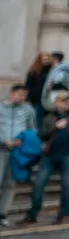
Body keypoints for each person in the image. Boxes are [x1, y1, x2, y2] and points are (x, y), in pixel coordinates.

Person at [21, 92, 69, 225]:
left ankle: (64, 214)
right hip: (50, 156)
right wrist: (55, 126)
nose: (65, 103)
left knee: (67, 185)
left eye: (67, 100)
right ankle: (33, 213)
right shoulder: (49, 117)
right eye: (62, 101)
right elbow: (42, 134)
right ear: (56, 103)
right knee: (38, 184)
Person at [0, 84, 36, 227]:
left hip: (16, 152)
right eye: (20, 94)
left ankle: (2, 214)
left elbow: (32, 130)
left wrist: (22, 140)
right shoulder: (1, 108)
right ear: (12, 93)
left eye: (24, 95)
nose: (22, 97)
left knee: (10, 184)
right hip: (1, 149)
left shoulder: (28, 109)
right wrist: (3, 141)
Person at [25, 53, 52, 129]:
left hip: (47, 98)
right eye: (44, 59)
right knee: (36, 119)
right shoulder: (33, 72)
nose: (46, 61)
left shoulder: (51, 71)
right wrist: (27, 96)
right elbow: (28, 85)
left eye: (47, 59)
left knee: (43, 119)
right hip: (36, 98)